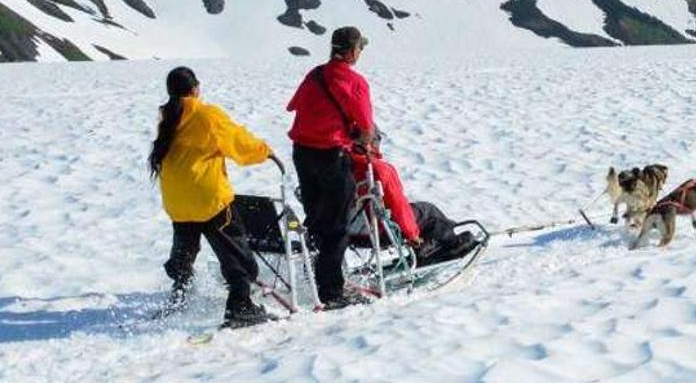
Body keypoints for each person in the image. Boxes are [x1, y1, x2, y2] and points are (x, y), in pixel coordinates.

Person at [287, 26, 475, 307]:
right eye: (360, 48)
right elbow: (364, 124)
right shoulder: (355, 83)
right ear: (352, 52)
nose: (360, 52)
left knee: (318, 220)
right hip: (333, 157)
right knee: (338, 228)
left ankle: (319, 278)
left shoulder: (314, 76)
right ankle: (332, 291)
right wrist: (412, 237)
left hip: (303, 152)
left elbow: (295, 107)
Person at [149, 65, 277, 329]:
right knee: (237, 255)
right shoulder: (207, 115)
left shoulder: (168, 117)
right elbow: (238, 141)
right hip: (208, 199)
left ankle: (179, 297)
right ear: (196, 88)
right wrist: (265, 152)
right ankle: (240, 306)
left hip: (177, 201)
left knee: (184, 253)